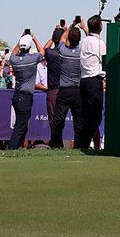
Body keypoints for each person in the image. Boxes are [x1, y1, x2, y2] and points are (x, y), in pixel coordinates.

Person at [48, 21, 84, 151]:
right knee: (78, 121)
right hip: (77, 90)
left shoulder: (62, 51)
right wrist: (84, 27)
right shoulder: (82, 51)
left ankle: (57, 144)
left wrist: (70, 25)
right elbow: (90, 41)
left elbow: (62, 38)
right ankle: (79, 145)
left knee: (59, 120)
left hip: (64, 90)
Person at [7, 33, 45, 151]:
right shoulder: (32, 59)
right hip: (25, 96)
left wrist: (20, 40)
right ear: (29, 47)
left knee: (22, 124)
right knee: (20, 124)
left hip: (17, 95)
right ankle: (12, 148)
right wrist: (34, 37)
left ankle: (17, 147)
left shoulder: (14, 59)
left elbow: (13, 53)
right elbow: (42, 51)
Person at [78, 15, 107, 151]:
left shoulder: (84, 41)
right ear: (100, 27)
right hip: (95, 80)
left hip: (84, 80)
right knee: (95, 116)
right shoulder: (99, 43)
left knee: (86, 115)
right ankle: (83, 143)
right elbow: (104, 58)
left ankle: (82, 142)